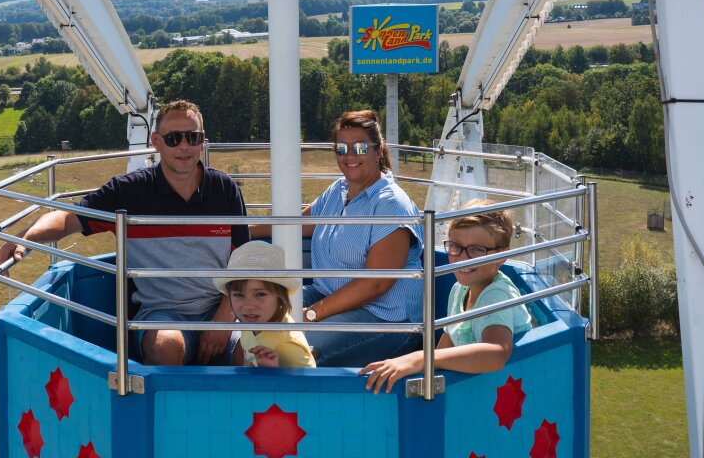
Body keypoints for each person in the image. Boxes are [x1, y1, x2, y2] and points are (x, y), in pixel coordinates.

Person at [0, 100, 248, 366]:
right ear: (156, 142)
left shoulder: (224, 190)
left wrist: (224, 318)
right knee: (164, 347)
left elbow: (244, 263)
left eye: (192, 137)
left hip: (218, 310)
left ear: (202, 141)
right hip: (160, 315)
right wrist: (25, 236)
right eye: (173, 138)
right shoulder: (130, 191)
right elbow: (69, 219)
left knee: (258, 351)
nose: (184, 146)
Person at [254, 109, 424, 367]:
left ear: (378, 151)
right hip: (327, 295)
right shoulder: (338, 190)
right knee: (252, 321)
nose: (349, 156)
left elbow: (375, 285)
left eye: (360, 147)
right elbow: (296, 225)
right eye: (341, 148)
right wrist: (237, 228)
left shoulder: (391, 205)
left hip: (386, 319)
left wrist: (311, 314)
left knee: (294, 351)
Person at [358, 199, 533, 393]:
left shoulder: (498, 295)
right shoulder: (459, 289)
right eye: (455, 246)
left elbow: (496, 353)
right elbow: (444, 349)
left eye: (477, 250)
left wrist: (420, 358)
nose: (463, 258)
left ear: (501, 256)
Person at [213, 241, 316, 369]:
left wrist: (271, 372)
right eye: (239, 295)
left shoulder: (287, 345)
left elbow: (307, 386)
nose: (249, 306)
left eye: (260, 294)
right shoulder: (250, 323)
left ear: (280, 296)